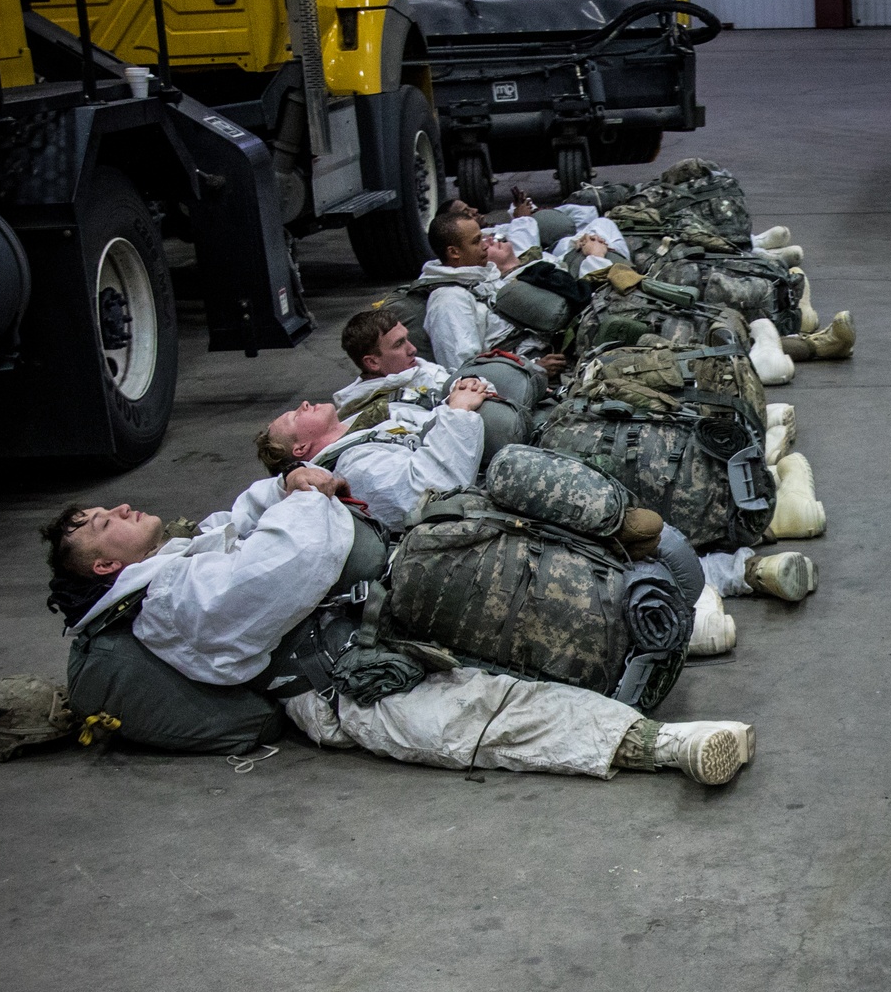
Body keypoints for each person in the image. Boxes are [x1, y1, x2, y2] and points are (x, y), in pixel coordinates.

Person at [42, 483, 756, 785]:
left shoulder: (179, 563)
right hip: (343, 682)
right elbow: (286, 566)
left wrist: (281, 486)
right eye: (102, 521)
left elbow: (244, 523)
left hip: (375, 624)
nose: (122, 506)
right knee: (487, 717)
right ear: (107, 566)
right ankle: (667, 748)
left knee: (511, 621)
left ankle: (685, 631)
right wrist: (305, 497)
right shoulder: (167, 602)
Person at [254, 378, 490, 531]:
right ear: (301, 449)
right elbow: (438, 489)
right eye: (295, 416)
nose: (304, 404)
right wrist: (459, 410)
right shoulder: (354, 467)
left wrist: (461, 394)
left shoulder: (363, 434)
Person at [420, 213, 567, 377]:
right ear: (454, 252)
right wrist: (533, 369)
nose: (484, 246)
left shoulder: (480, 276)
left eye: (482, 238)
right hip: (525, 371)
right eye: (476, 241)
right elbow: (464, 371)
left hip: (544, 348)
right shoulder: (448, 301)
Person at [333, 308, 450, 416]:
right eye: (399, 344)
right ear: (373, 362)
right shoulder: (376, 412)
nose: (412, 349)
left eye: (407, 339)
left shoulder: (418, 367)